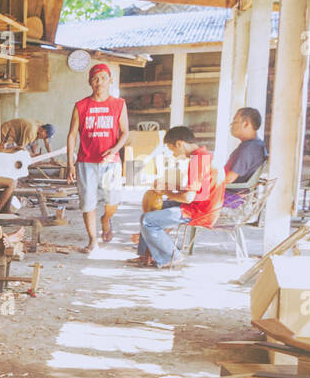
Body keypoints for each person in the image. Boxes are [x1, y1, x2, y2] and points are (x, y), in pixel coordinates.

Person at [133, 126, 223, 270]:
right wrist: (170, 189)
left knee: (147, 220)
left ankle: (172, 255)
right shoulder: (204, 155)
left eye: (172, 149)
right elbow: (199, 192)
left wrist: (167, 192)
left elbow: (188, 198)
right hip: (201, 207)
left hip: (199, 212)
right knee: (154, 209)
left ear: (180, 144)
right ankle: (146, 255)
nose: (174, 154)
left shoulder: (197, 161)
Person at [68, 63, 129, 252]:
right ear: (90, 82)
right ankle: (93, 240)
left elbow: (125, 132)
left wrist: (115, 149)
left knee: (112, 202)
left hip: (110, 163)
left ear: (110, 80)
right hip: (86, 162)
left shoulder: (119, 104)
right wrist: (70, 164)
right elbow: (72, 136)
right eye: (95, 78)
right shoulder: (81, 106)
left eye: (103, 78)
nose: (99, 82)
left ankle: (106, 219)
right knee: (88, 203)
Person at [224, 107, 267, 192]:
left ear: (246, 124)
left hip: (232, 196)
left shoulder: (248, 149)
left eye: (235, 122)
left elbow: (228, 179)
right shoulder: (257, 144)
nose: (231, 125)